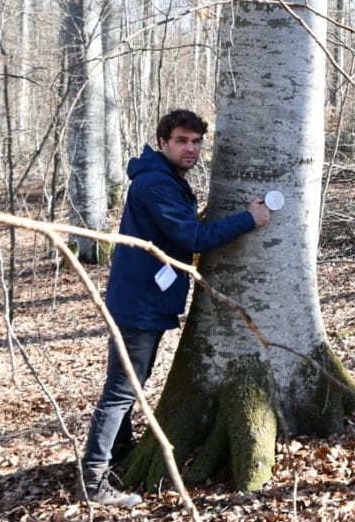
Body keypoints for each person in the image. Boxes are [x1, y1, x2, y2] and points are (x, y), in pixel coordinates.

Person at [78, 110, 272, 507]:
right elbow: (193, 237)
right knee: (120, 389)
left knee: (126, 383)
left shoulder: (165, 180)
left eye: (197, 141)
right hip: (138, 304)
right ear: (163, 142)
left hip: (143, 298)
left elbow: (177, 230)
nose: (191, 149)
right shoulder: (154, 184)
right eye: (182, 141)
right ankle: (94, 480)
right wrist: (249, 219)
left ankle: (117, 455)